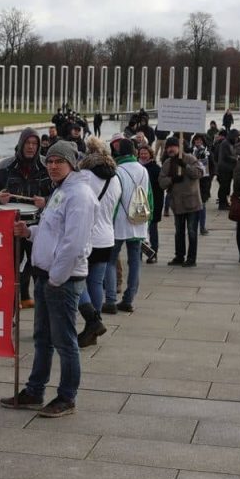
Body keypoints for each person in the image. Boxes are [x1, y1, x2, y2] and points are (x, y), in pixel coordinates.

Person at [1, 140, 94, 418]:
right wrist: (29, 232)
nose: (52, 166)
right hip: (46, 276)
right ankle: (35, 390)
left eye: (59, 161)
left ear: (72, 164)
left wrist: (56, 277)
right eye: (50, 161)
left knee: (65, 341)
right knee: (42, 338)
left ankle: (67, 397)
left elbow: (74, 243)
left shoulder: (79, 194)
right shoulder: (60, 191)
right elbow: (51, 228)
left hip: (60, 280)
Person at [0, 128, 51, 309]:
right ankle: (10, 310)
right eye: (28, 143)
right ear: (21, 144)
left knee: (39, 269)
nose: (31, 147)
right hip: (12, 226)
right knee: (11, 269)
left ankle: (38, 310)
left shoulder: (47, 167)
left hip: (38, 226)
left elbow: (61, 196)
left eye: (35, 144)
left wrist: (46, 202)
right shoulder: (4, 167)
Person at [75, 137, 121, 347]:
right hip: (107, 237)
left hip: (88, 235)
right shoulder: (115, 178)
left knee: (74, 280)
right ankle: (92, 329)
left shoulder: (84, 176)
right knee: (95, 282)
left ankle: (92, 321)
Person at [103, 138, 151, 314]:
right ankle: (129, 299)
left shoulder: (117, 170)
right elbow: (148, 197)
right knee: (135, 262)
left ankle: (110, 299)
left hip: (118, 222)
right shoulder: (143, 170)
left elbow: (113, 199)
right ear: (134, 152)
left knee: (110, 260)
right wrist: (147, 220)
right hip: (138, 221)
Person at [159, 136, 204, 267]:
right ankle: (179, 256)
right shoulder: (167, 163)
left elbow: (199, 173)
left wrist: (185, 166)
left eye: (172, 146)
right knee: (179, 232)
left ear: (179, 147)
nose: (170, 149)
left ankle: (191, 258)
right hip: (177, 203)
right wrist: (172, 180)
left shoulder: (190, 158)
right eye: (168, 147)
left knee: (191, 231)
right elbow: (161, 182)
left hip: (192, 203)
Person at [137, 145, 162, 262]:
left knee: (152, 230)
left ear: (150, 154)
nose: (143, 155)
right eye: (141, 153)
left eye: (145, 153)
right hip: (139, 204)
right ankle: (139, 253)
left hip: (152, 203)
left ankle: (153, 253)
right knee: (139, 230)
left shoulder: (155, 169)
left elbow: (159, 189)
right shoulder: (136, 168)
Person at [191, 134, 213, 235]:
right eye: (196, 140)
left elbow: (212, 165)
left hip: (204, 180)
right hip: (192, 180)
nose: (198, 142)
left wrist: (210, 178)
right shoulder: (191, 151)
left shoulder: (207, 152)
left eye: (200, 140)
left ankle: (202, 227)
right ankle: (193, 226)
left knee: (202, 204)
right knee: (193, 204)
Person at [215, 129, 240, 210]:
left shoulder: (229, 143)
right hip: (224, 169)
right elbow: (226, 156)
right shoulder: (225, 143)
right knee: (224, 187)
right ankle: (222, 204)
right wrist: (236, 159)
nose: (237, 139)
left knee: (226, 187)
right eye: (236, 137)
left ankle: (225, 203)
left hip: (228, 169)